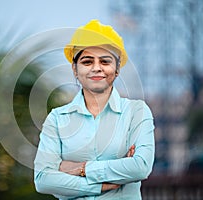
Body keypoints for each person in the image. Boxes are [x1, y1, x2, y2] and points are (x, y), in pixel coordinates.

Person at [34, 19, 155, 199]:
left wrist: (80, 168)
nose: (96, 68)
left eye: (105, 61)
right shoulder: (57, 118)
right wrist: (104, 184)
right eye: (87, 61)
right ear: (75, 69)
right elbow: (43, 180)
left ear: (117, 69)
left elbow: (140, 167)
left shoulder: (136, 112)